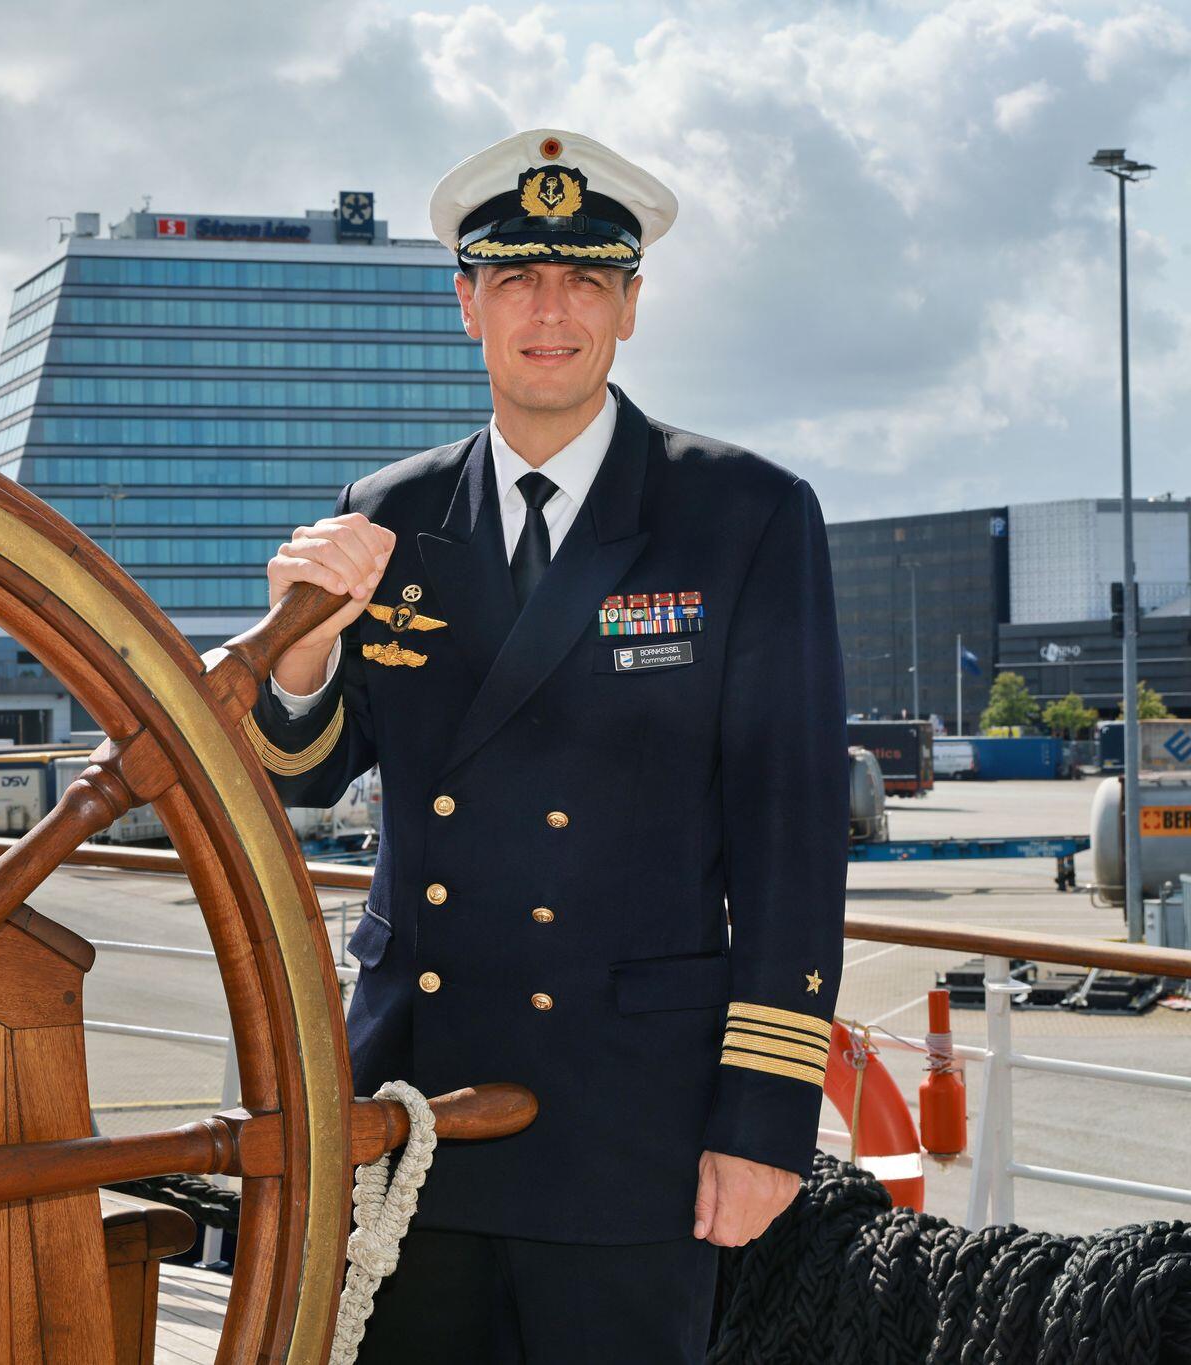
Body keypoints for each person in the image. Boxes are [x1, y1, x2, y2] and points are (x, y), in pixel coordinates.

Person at [248, 128, 849, 1363]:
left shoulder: (740, 514)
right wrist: (296, 644)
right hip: (413, 1096)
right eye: (515, 278)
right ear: (465, 303)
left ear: (629, 307)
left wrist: (762, 1120)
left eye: (584, 280)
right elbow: (300, 776)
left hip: (629, 1111)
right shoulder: (388, 514)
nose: (549, 311)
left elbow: (790, 842)